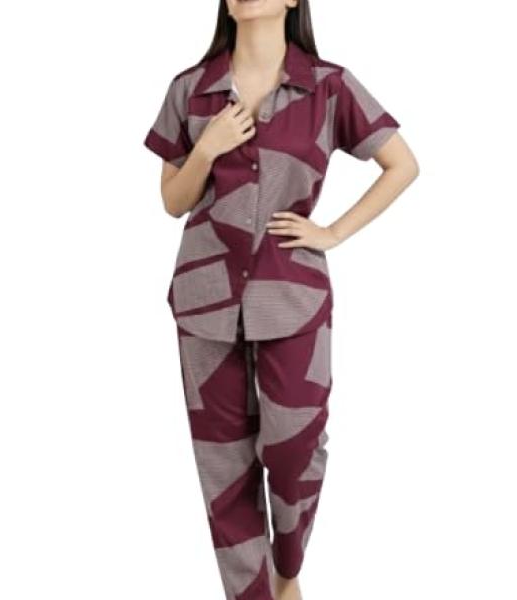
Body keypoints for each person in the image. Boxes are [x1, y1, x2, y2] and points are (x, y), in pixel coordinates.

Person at [143, 1, 419, 598]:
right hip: (204, 299)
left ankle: (286, 569)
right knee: (223, 465)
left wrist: (333, 232)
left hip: (293, 297)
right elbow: (172, 201)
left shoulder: (329, 87)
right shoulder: (190, 88)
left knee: (296, 447)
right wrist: (207, 148)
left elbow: (402, 164)